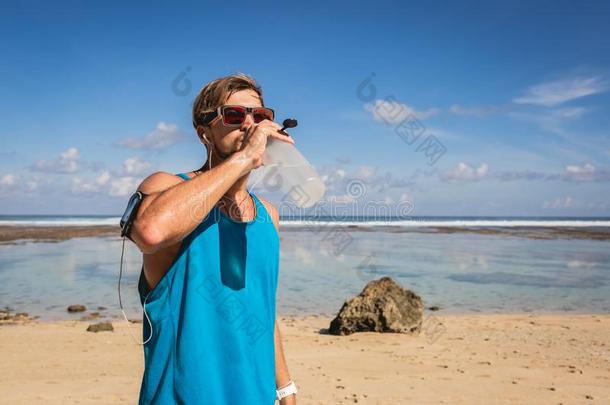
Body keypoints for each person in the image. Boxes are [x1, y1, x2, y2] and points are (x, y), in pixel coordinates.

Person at [129, 73, 298, 404]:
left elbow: (263, 309)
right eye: (234, 115)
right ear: (204, 131)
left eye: (260, 116)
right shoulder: (164, 186)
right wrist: (244, 158)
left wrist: (285, 386)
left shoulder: (268, 215)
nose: (249, 125)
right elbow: (150, 231)